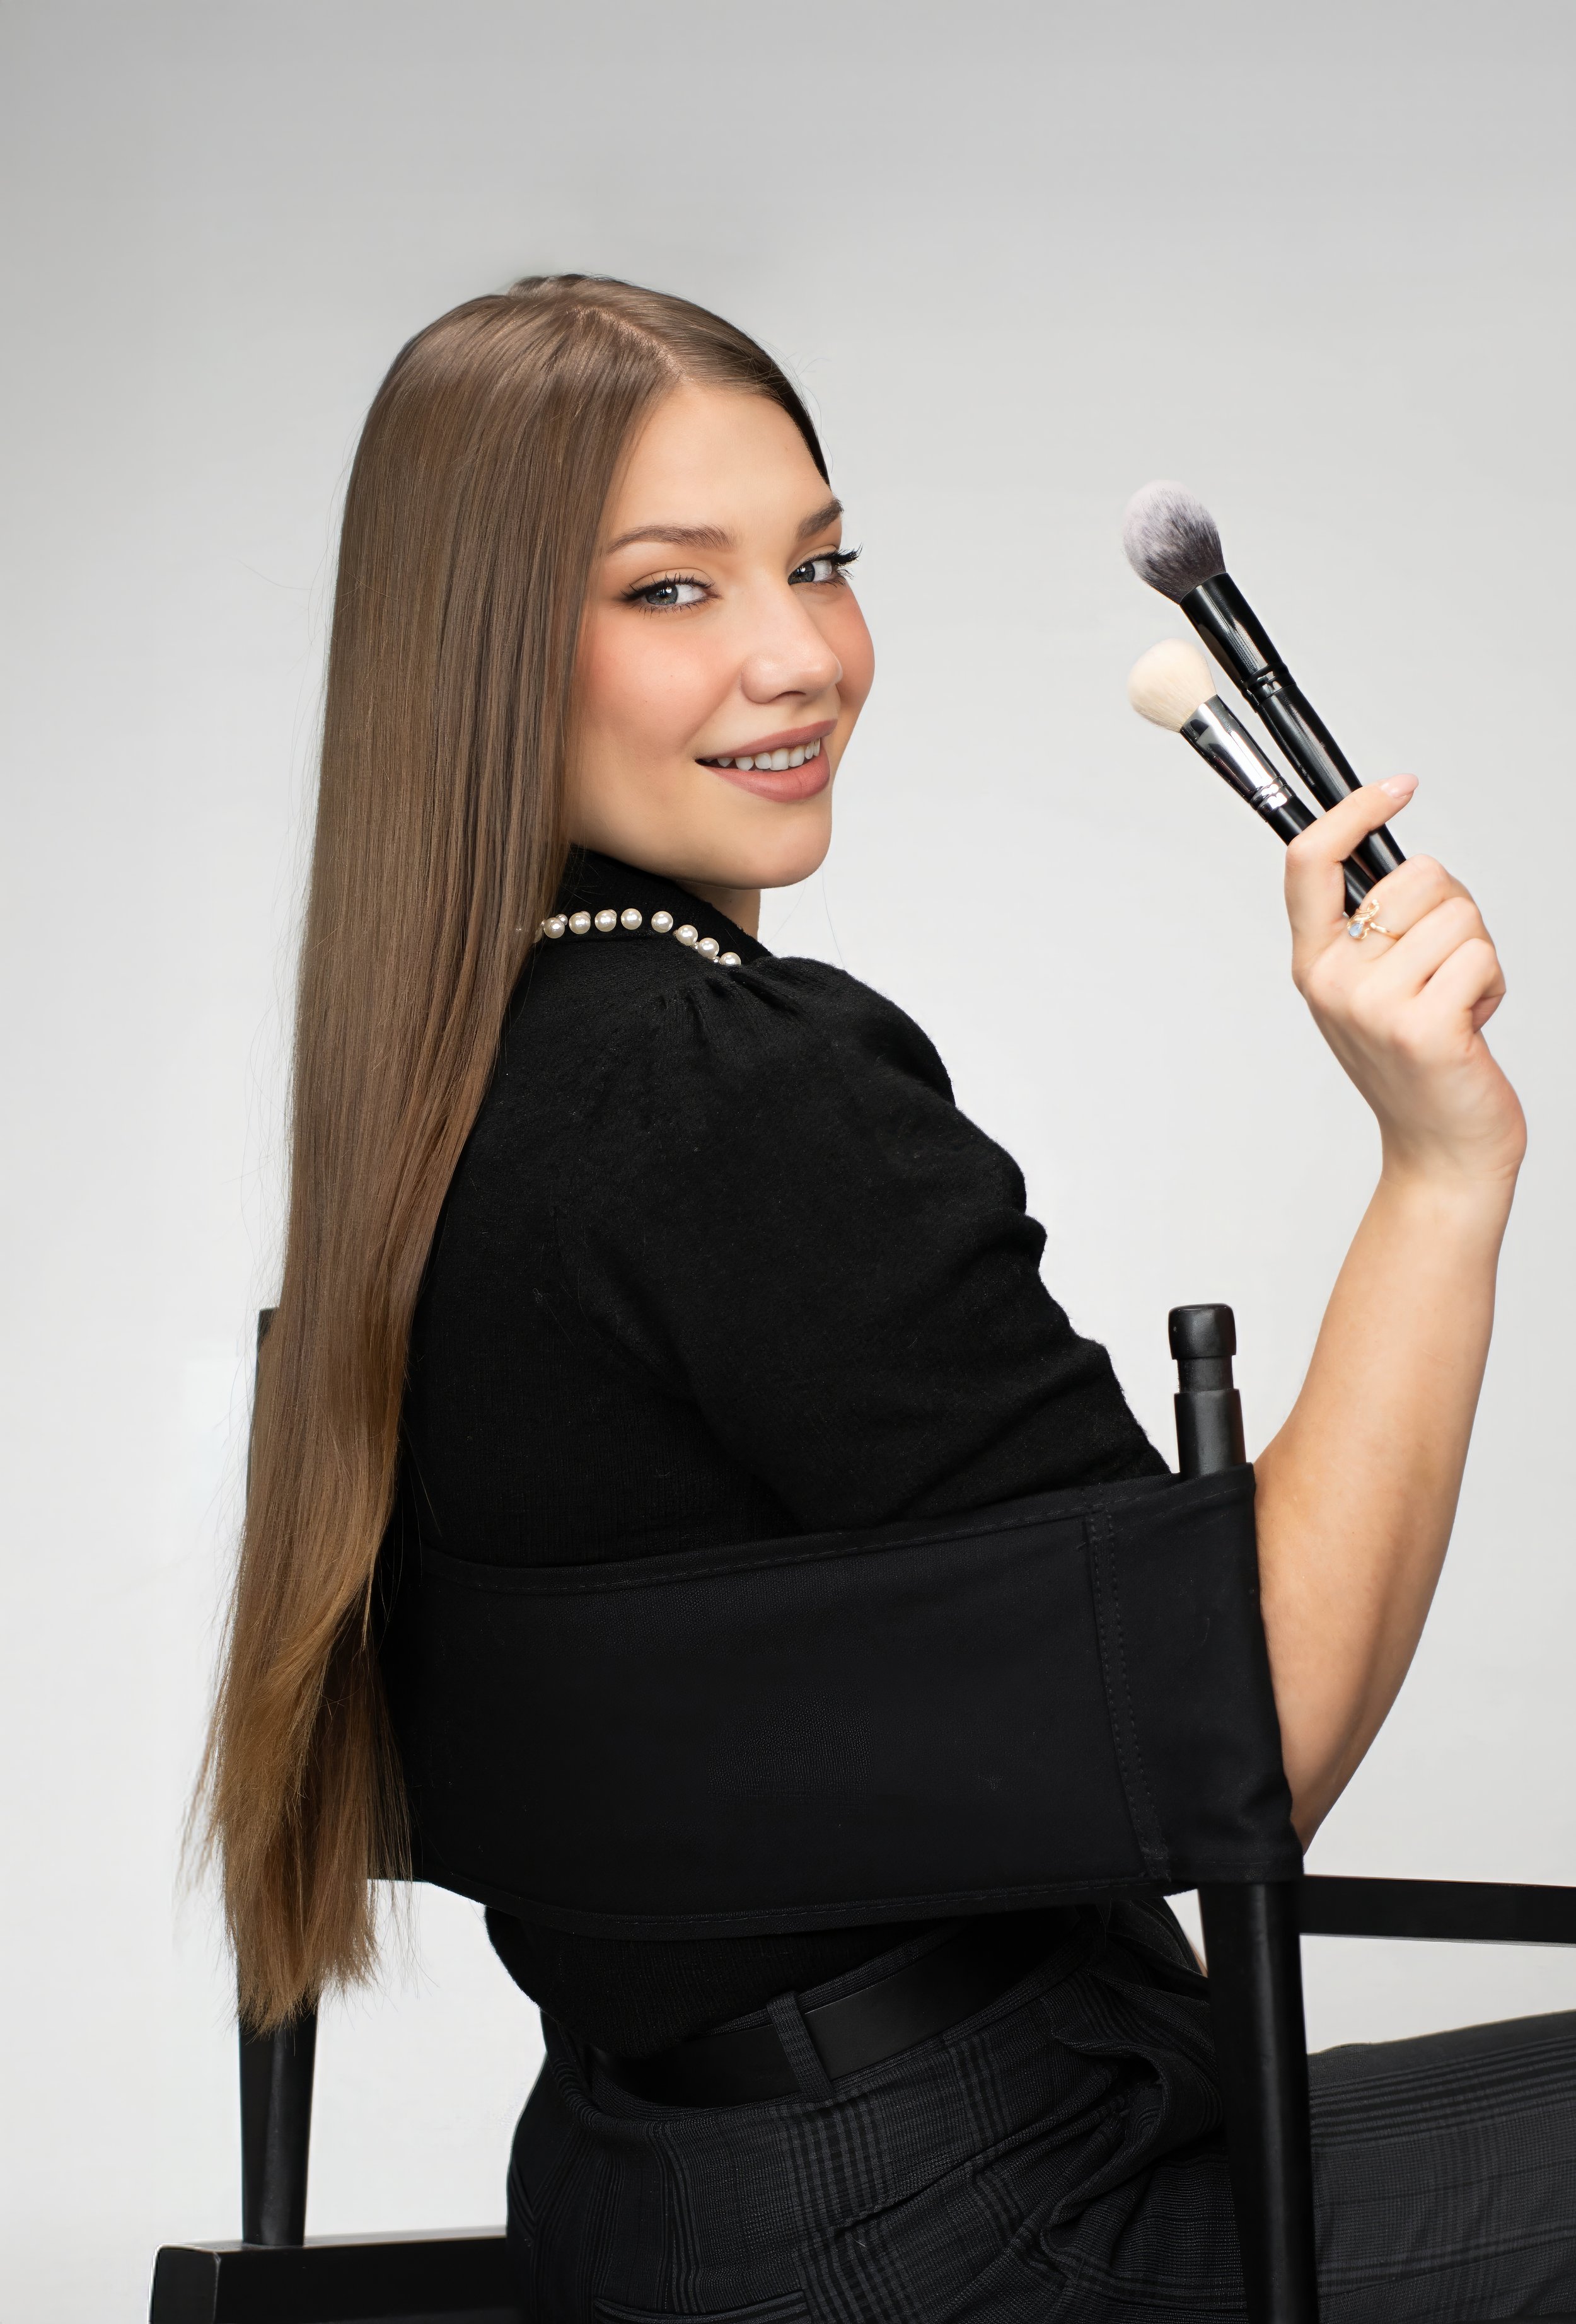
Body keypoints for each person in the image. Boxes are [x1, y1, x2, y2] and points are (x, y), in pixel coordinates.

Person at [205, 277, 1567, 2323]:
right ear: (489, 650)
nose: (798, 654)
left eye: (821, 562)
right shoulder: (728, 1087)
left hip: (644, 2207)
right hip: (969, 2229)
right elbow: (1246, 1728)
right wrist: (1441, 1168)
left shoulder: (434, 1093)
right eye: (671, 592)